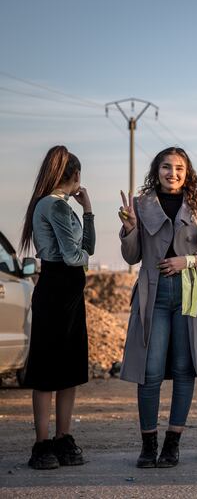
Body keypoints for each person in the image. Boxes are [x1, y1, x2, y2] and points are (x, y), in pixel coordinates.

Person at [118, 147, 197, 469]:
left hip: (191, 293)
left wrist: (193, 256)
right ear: (157, 170)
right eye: (166, 167)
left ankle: (171, 444)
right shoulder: (140, 204)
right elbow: (131, 256)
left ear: (187, 172)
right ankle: (148, 445)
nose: (173, 173)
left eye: (179, 168)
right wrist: (129, 228)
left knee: (183, 368)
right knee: (148, 372)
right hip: (154, 293)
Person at [19, 145, 94, 470]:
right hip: (60, 289)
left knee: (62, 370)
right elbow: (75, 255)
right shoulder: (58, 207)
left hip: (61, 291)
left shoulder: (46, 204)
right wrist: (87, 214)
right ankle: (45, 443)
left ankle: (58, 440)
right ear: (75, 176)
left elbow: (82, 248)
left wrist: (87, 214)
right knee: (52, 371)